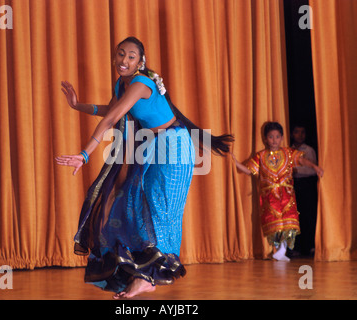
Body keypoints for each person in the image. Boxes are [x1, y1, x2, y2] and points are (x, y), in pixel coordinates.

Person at [56, 37, 233, 298]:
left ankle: (149, 276)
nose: (124, 61)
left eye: (130, 57)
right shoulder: (122, 84)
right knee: (134, 202)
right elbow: (111, 109)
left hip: (173, 145)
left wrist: (85, 154)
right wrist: (77, 105)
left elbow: (112, 118)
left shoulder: (140, 83)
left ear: (141, 62)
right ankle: (141, 273)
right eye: (120, 55)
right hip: (152, 146)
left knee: (162, 210)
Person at [231, 122, 323, 261]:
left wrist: (315, 167)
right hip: (270, 196)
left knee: (288, 223)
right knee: (275, 224)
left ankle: (283, 249)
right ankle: (280, 248)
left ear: (282, 137)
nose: (274, 140)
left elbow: (302, 160)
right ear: (265, 139)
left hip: (286, 194)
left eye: (277, 137)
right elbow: (250, 170)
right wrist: (236, 162)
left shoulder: (288, 153)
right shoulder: (261, 156)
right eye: (271, 137)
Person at [291, 124, 318, 256]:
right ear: (292, 134)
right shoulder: (288, 150)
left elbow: (312, 169)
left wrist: (295, 168)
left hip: (307, 184)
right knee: (295, 216)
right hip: (293, 184)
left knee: (308, 215)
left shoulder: (309, 150)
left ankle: (310, 246)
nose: (300, 135)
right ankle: (296, 247)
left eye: (302, 132)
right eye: (296, 132)